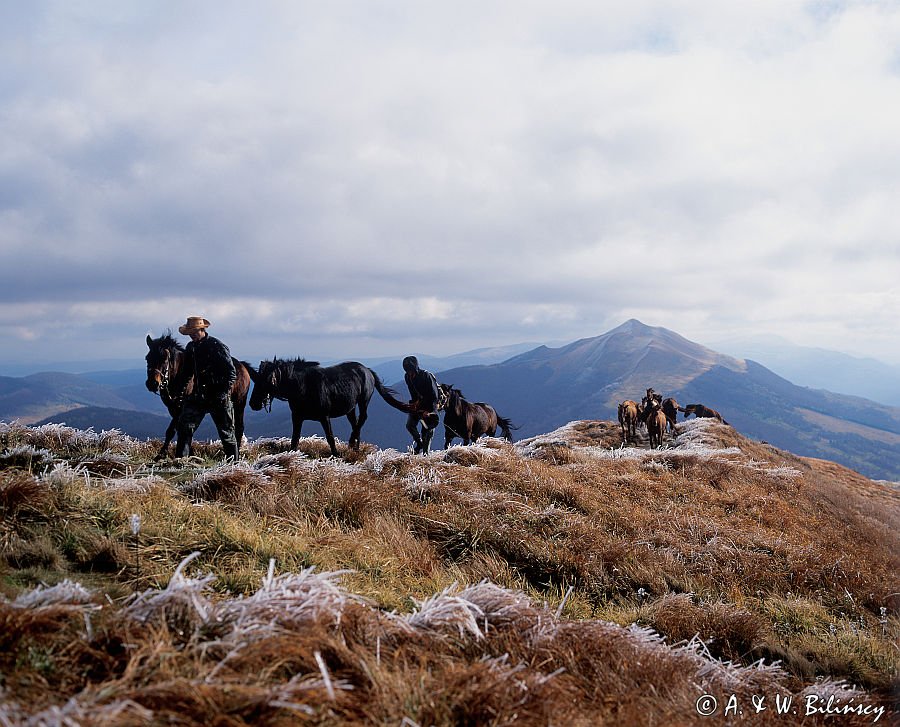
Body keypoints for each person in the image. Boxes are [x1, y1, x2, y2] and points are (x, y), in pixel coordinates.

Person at [171, 316, 239, 460]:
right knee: (184, 428)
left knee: (226, 433)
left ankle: (235, 466)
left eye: (194, 332)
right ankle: (180, 463)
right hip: (199, 396)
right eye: (190, 333)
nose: (192, 335)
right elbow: (187, 373)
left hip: (219, 396)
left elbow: (231, 373)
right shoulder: (191, 348)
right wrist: (179, 391)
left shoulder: (216, 346)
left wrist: (222, 394)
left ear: (202, 330)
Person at [402, 355, 441, 454]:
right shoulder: (407, 377)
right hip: (418, 406)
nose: (409, 373)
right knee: (410, 425)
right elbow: (413, 392)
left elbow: (434, 395)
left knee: (427, 430)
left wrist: (429, 411)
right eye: (407, 371)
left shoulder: (426, 376)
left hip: (430, 406)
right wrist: (414, 403)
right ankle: (419, 443)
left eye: (410, 371)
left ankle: (425, 453)